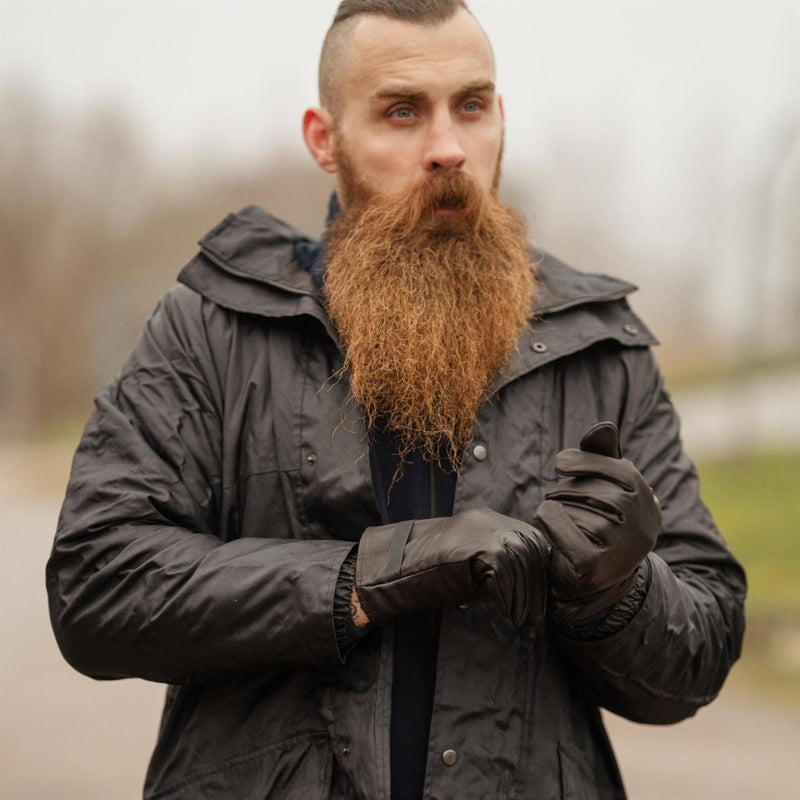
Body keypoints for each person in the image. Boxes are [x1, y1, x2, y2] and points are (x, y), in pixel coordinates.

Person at [46, 1, 746, 798]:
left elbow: (698, 659)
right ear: (324, 139)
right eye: (402, 112)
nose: (448, 148)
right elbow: (98, 584)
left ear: (501, 118)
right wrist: (371, 575)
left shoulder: (602, 350)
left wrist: (618, 588)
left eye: (470, 106)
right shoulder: (212, 327)